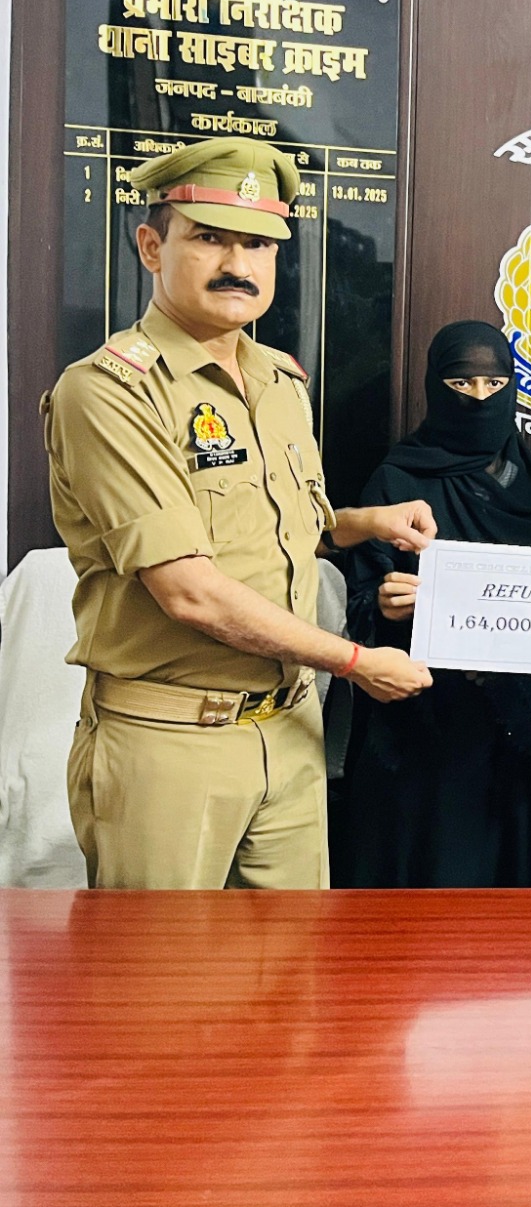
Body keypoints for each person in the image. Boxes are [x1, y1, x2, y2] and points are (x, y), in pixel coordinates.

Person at [42, 138, 436, 890]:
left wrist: (363, 522)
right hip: (172, 741)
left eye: (258, 244)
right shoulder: (109, 392)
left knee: (292, 965)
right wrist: (354, 662)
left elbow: (282, 530)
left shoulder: (279, 380)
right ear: (151, 247)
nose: (238, 264)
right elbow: (188, 589)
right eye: (209, 238)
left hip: (289, 728)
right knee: (162, 964)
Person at [333, 321, 531, 887]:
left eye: (494, 384)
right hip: (426, 725)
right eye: (461, 383)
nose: (478, 398)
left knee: (514, 889)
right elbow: (358, 600)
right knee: (430, 874)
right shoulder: (397, 482)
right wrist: (385, 607)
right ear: (434, 386)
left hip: (519, 725)